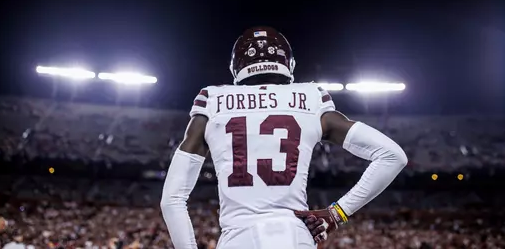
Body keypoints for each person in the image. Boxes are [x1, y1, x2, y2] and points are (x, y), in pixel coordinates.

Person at [160, 26, 408, 249]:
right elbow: (392, 156)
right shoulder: (310, 97)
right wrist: (337, 213)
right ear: (288, 63)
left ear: (236, 66)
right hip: (295, 236)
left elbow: (171, 200)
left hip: (238, 238)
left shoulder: (212, 100)